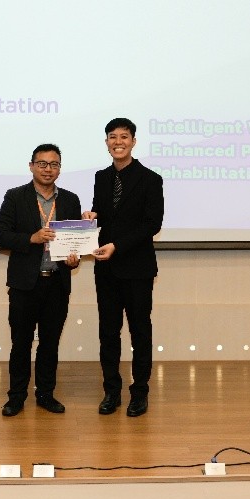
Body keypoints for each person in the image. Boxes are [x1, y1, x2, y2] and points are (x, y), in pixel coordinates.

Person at [0, 144, 82, 416]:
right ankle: (16, 397)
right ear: (31, 166)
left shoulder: (70, 200)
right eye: (42, 164)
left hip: (56, 283)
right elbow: (1, 236)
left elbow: (75, 242)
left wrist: (74, 259)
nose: (48, 169)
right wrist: (30, 238)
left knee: (50, 343)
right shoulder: (15, 197)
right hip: (24, 284)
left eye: (54, 164)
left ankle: (45, 394)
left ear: (59, 169)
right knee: (20, 343)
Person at [85, 118, 164, 417]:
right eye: (112, 137)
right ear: (106, 142)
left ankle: (139, 392)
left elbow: (152, 224)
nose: (118, 142)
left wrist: (117, 245)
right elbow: (104, 215)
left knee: (140, 332)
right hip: (106, 269)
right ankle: (111, 392)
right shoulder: (101, 177)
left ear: (133, 141)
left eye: (124, 137)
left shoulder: (151, 179)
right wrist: (91, 217)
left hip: (138, 269)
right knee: (108, 332)